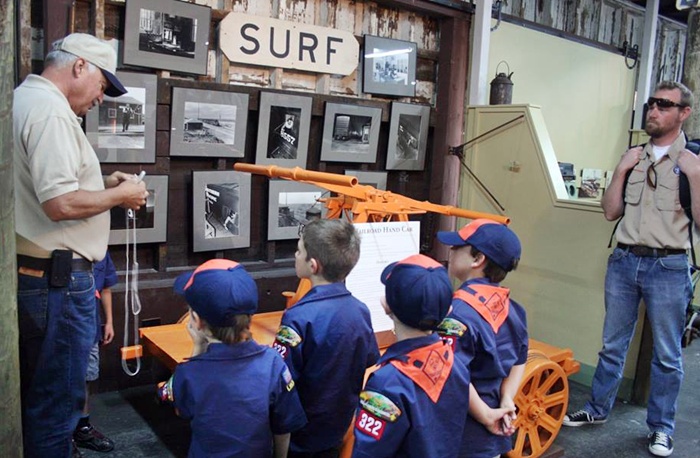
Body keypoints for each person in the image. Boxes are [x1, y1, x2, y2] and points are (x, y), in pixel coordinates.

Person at [14, 32, 148, 458]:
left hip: (43, 278)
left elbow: (53, 187)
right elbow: (60, 203)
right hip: (57, 284)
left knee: (47, 399)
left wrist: (104, 184)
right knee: (58, 406)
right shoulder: (51, 113)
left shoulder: (27, 101)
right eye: (103, 86)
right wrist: (122, 196)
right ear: (78, 67)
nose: (102, 98)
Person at [563, 81, 696, 457]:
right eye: (652, 104)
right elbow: (610, 211)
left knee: (667, 355)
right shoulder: (633, 156)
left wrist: (697, 175)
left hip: (669, 265)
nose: (654, 111)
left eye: (665, 106)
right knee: (612, 345)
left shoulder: (692, 162)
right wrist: (621, 170)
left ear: (683, 113)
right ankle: (597, 409)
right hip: (624, 261)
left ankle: (661, 429)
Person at [158, 259, 307, 457]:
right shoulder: (273, 364)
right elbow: (284, 426)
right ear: (249, 317)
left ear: (196, 321)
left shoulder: (189, 372)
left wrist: (198, 346)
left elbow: (179, 406)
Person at [272, 219, 380, 457]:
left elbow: (279, 378)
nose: (295, 254)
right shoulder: (361, 310)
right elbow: (369, 357)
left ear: (313, 265)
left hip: (299, 435)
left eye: (299, 250)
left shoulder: (298, 317)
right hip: (336, 429)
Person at [351, 254, 471, 458]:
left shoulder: (387, 384)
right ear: (448, 311)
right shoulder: (456, 364)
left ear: (385, 305)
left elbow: (367, 452)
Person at [436, 219, 528, 458]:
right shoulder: (515, 309)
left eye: (458, 247)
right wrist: (507, 399)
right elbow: (520, 359)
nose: (451, 250)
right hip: (492, 422)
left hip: (462, 428)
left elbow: (451, 372)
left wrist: (486, 415)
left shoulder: (457, 312)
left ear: (478, 260)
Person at [73, 251, 117, 454]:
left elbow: (106, 287)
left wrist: (108, 322)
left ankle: (82, 428)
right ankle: (64, 435)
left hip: (91, 324)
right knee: (64, 379)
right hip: (66, 325)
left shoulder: (101, 251)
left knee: (88, 377)